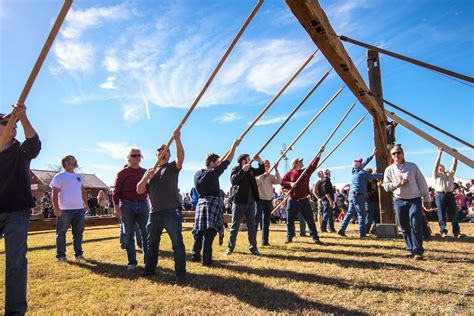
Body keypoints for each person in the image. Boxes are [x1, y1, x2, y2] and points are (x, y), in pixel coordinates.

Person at [0, 105, 41, 315]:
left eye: (14, 125)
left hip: (17, 211)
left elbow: (34, 144)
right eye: (7, 123)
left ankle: (14, 312)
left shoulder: (20, 150)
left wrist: (23, 117)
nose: (12, 127)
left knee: (15, 262)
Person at [137, 130, 187, 284]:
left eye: (166, 150)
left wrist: (177, 140)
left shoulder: (172, 167)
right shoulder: (150, 171)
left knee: (177, 243)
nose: (163, 152)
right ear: (156, 155)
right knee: (151, 243)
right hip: (154, 213)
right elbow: (139, 189)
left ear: (168, 155)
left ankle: (180, 274)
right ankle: (149, 269)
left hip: (171, 211)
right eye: (160, 150)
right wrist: (146, 177)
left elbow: (181, 159)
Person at [192, 139, 240, 265]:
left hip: (201, 204)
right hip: (211, 204)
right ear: (212, 163)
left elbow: (223, 163)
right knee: (209, 232)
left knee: (199, 232)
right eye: (217, 163)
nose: (219, 165)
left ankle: (195, 255)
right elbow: (227, 162)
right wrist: (233, 146)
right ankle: (206, 260)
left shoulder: (198, 174)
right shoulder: (211, 174)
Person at [383, 145, 430, 260]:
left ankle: (418, 251)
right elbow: (386, 186)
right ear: (391, 156)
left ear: (403, 154)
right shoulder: (389, 170)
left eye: (398, 153)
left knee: (415, 223)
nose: (396, 155)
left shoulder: (412, 166)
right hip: (399, 200)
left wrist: (427, 198)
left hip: (414, 199)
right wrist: (397, 184)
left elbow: (422, 182)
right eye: (394, 153)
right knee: (404, 226)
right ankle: (409, 248)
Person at [113, 148, 149, 270]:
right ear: (128, 157)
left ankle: (148, 261)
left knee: (145, 233)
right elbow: (116, 192)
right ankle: (132, 262)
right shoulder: (122, 173)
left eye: (139, 155)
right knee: (128, 234)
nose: (137, 157)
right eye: (134, 155)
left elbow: (150, 189)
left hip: (143, 204)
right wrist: (116, 207)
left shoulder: (145, 172)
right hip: (127, 205)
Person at [280, 146, 325, 244]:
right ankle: (289, 236)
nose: (302, 162)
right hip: (292, 200)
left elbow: (313, 164)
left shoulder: (306, 172)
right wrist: (290, 184)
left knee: (310, 219)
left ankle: (315, 238)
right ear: (295, 164)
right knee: (289, 220)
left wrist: (319, 153)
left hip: (304, 200)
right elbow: (282, 182)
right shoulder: (290, 173)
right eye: (300, 161)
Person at [51, 155, 90, 263]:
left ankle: (78, 255)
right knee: (61, 233)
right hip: (64, 210)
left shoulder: (78, 176)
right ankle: (61, 256)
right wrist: (56, 208)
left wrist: (85, 204)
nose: (73, 162)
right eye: (70, 160)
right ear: (65, 163)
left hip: (79, 209)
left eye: (74, 160)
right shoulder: (59, 176)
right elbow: (54, 193)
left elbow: (83, 191)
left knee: (78, 233)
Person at [224, 153, 265, 256]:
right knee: (235, 226)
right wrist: (242, 170)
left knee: (252, 226)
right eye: (248, 159)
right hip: (239, 202)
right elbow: (234, 181)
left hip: (251, 203)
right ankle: (230, 248)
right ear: (243, 161)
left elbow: (261, 171)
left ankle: (253, 248)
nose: (250, 160)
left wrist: (259, 161)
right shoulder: (236, 169)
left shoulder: (251, 170)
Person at [338, 149, 383, 237]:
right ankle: (362, 234)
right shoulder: (362, 173)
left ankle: (341, 229)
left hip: (352, 196)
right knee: (362, 215)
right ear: (359, 165)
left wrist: (372, 155)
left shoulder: (353, 171)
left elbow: (363, 163)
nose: (363, 164)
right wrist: (383, 174)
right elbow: (373, 176)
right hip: (358, 196)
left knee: (349, 214)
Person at [433, 148, 460, 238]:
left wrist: (455, 155)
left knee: (454, 213)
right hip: (439, 194)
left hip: (449, 194)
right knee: (441, 213)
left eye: (442, 166)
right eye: (439, 167)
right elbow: (436, 165)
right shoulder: (436, 174)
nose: (440, 167)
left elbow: (454, 165)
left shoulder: (449, 174)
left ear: (444, 168)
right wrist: (439, 154)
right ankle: (443, 231)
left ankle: (456, 232)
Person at [255, 160, 281, 246]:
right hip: (259, 200)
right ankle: (252, 241)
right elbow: (255, 183)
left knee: (266, 222)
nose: (267, 166)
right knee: (256, 221)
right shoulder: (258, 175)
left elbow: (278, 181)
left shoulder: (271, 176)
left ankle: (265, 241)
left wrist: (276, 170)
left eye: (268, 164)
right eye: (265, 164)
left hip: (268, 200)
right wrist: (263, 176)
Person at [319, 169, 336, 233]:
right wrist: (330, 201)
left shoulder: (325, 180)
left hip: (327, 200)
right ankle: (323, 228)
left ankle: (331, 229)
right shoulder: (326, 180)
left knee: (330, 215)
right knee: (326, 215)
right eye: (328, 172)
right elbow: (326, 192)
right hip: (327, 200)